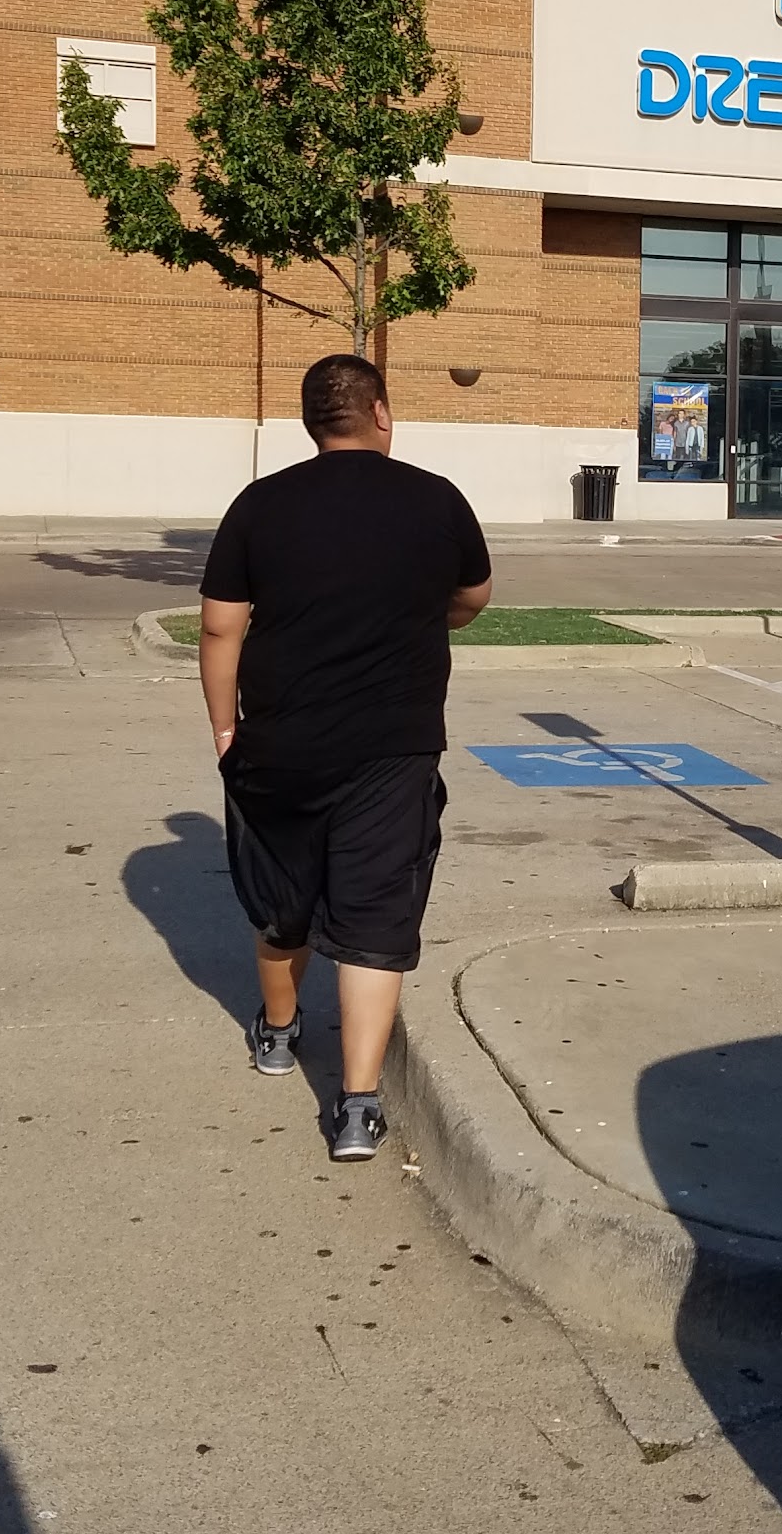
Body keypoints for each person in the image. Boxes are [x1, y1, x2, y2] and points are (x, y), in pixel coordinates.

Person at [197, 354, 492, 1160]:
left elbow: (221, 626)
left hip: (279, 742)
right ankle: (358, 1107)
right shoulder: (437, 500)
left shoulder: (260, 505)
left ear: (310, 423)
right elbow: (472, 597)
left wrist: (224, 729)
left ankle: (278, 1033)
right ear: (381, 412)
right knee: (375, 917)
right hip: (394, 747)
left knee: (282, 897)